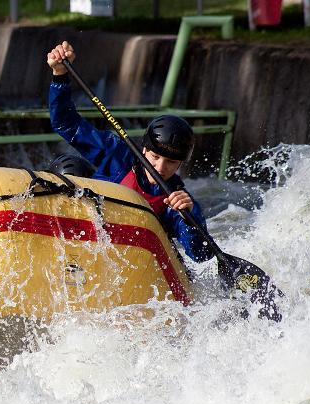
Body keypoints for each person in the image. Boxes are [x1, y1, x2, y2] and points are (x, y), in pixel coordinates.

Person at [46, 41, 213, 263]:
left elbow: (201, 255)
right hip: (90, 243)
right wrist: (60, 76)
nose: (161, 168)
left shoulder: (177, 201)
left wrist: (190, 217)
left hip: (132, 265)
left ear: (181, 163)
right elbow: (66, 124)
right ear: (144, 149)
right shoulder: (118, 155)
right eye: (155, 157)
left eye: (171, 162)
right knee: (68, 169)